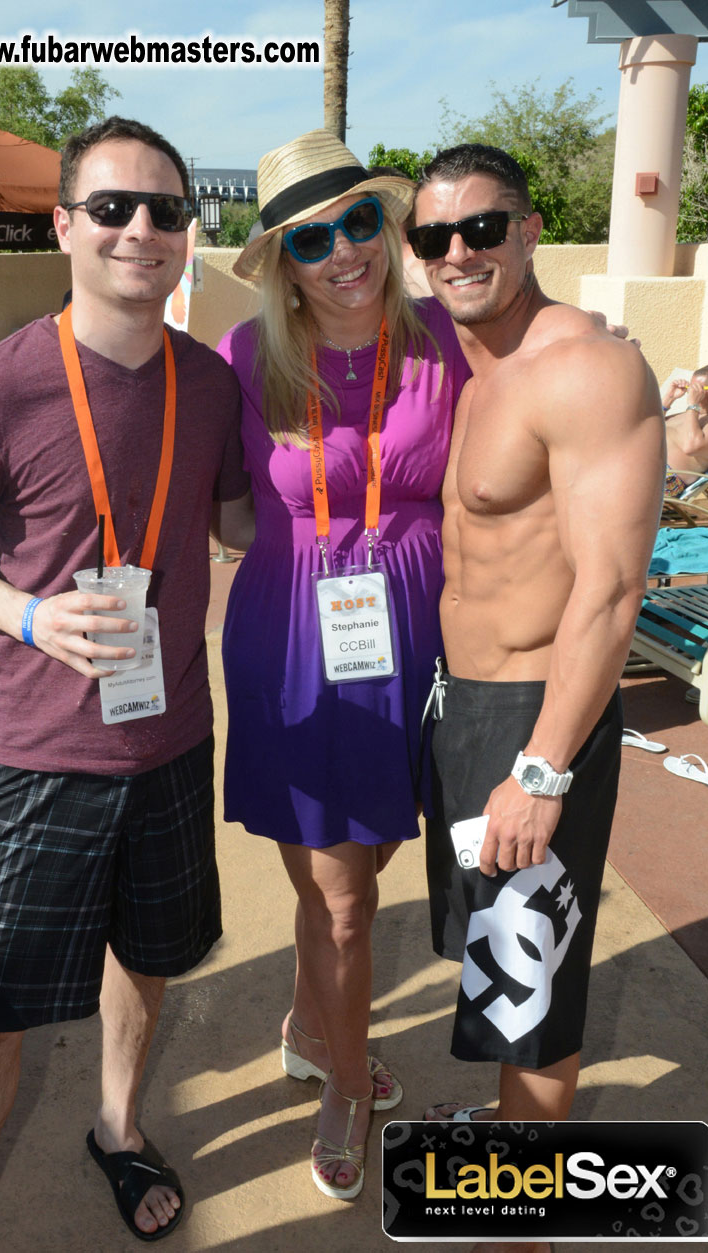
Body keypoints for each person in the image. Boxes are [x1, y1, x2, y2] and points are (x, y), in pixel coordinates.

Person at [0, 116, 252, 1249]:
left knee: (148, 960)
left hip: (167, 737)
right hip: (38, 753)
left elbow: (245, 519)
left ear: (188, 234)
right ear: (64, 225)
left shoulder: (209, 383)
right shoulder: (2, 384)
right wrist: (28, 611)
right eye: (112, 208)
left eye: (164, 210)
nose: (140, 230)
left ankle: (115, 1121)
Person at [409, 144, 664, 1253]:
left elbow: (610, 590)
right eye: (434, 237)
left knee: (532, 990)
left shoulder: (584, 368)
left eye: (482, 227)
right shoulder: (469, 358)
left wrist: (542, 768)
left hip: (529, 720)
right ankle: (515, 1151)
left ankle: (523, 1229)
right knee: (494, 962)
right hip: (459, 701)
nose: (457, 251)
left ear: (530, 228)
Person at [218, 129, 470, 1200]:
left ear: (388, 226)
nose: (342, 252)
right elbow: (221, 503)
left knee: (359, 873)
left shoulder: (448, 346)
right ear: (284, 259)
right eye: (311, 237)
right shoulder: (242, 355)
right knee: (339, 893)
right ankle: (341, 1082)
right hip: (290, 638)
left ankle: (305, 1015)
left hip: (413, 637)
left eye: (360, 221)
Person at [661, 363, 708, 495]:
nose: (690, 392)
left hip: (663, 478)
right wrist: (669, 398)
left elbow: (690, 447)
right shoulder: (692, 414)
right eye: (690, 388)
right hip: (640, 462)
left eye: (696, 389)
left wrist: (693, 405)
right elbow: (650, 428)